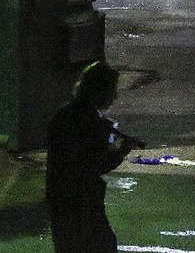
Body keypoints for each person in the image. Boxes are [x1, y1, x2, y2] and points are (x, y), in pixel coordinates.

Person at [46, 61, 137, 253]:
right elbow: (96, 164)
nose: (114, 97)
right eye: (111, 90)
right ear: (100, 90)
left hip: (60, 200)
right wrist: (121, 151)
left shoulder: (63, 115)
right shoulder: (93, 123)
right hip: (83, 202)